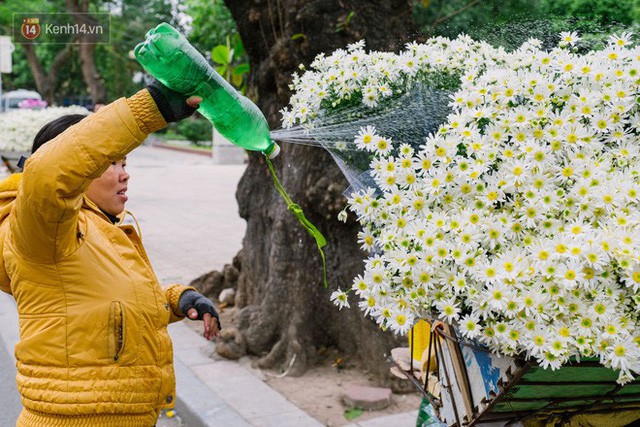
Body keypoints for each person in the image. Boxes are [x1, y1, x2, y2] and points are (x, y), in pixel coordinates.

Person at [0, 80, 221, 427]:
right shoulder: (43, 230)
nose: (125, 174)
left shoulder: (100, 229)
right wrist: (151, 108)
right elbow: (47, 174)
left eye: (125, 162)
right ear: (77, 172)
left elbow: (101, 311)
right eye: (111, 163)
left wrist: (179, 300)